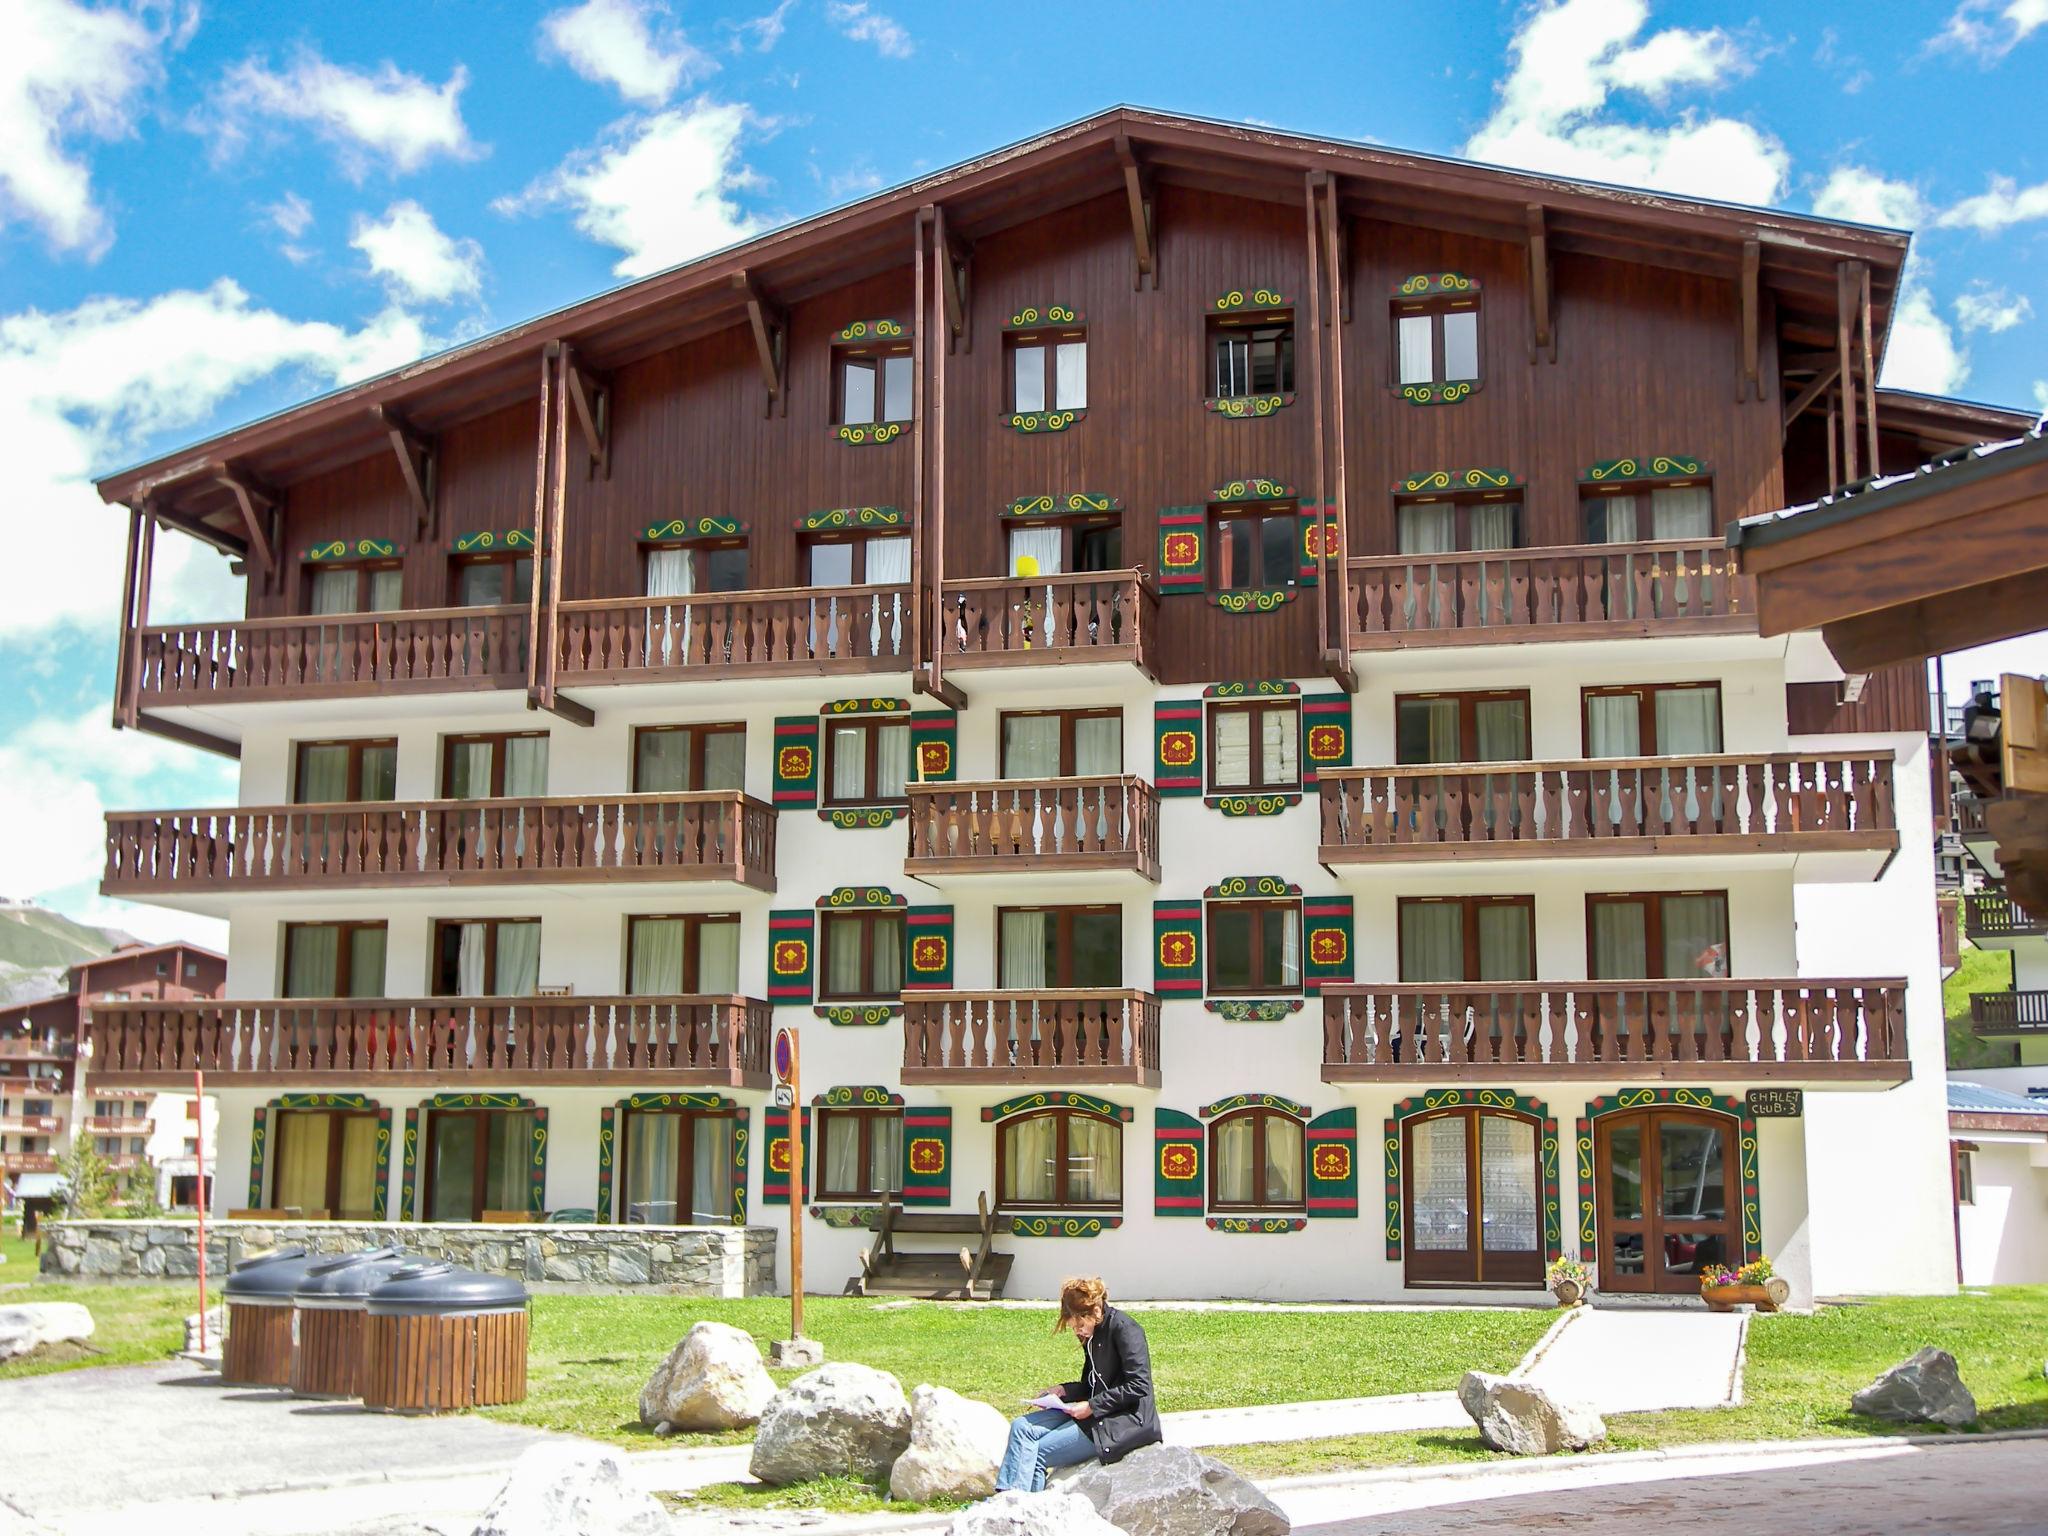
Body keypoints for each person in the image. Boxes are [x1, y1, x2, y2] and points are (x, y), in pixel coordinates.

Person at [994, 1274, 1161, 1493]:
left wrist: (1092, 1406)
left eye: (1080, 1325)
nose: (1078, 1331)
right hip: (1095, 1410)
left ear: (1096, 1312)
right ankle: (1006, 1500)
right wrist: (1063, 1391)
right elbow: (1091, 1384)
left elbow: (1140, 1385)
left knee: (1036, 1450)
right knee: (1021, 1427)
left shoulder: (1125, 1329)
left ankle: (1018, 1509)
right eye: (1074, 1327)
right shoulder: (1091, 1336)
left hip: (1123, 1421)